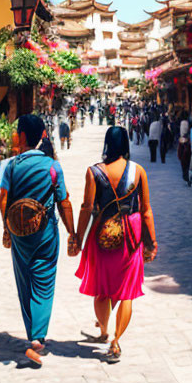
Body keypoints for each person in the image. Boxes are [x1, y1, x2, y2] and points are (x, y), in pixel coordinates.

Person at [73, 127, 157, 363]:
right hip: (131, 232)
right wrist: (152, 241)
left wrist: (78, 238)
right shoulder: (138, 171)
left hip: (103, 233)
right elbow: (147, 210)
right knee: (126, 291)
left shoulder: (94, 172)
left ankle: (103, 331)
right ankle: (116, 342)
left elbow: (87, 208)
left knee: (102, 288)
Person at [0, 114, 76, 366]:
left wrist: (6, 228)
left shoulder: (12, 166)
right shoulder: (53, 166)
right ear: (43, 135)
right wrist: (72, 232)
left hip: (20, 235)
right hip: (46, 234)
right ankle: (37, 338)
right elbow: (63, 202)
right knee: (44, 283)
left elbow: (3, 199)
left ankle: (33, 333)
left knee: (24, 281)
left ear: (22, 137)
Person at [177, 112, 191, 184]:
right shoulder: (187, 122)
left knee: (184, 161)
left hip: (182, 138)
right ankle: (187, 177)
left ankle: (186, 176)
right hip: (186, 138)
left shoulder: (182, 122)